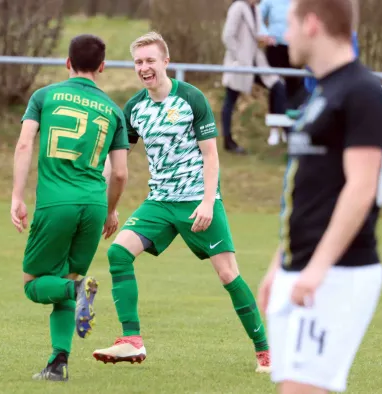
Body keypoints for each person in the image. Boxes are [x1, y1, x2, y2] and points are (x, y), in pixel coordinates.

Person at [92, 31, 271, 373]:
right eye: (138, 62)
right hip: (159, 202)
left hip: (196, 200)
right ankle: (131, 340)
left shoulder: (191, 98)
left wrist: (207, 202)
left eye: (150, 61)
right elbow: (116, 162)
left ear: (165, 62)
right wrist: (102, 203)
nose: (144, 68)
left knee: (228, 274)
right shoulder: (135, 108)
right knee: (118, 252)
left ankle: (265, 350)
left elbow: (211, 157)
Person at [257, 0, 382, 393]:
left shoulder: (363, 91)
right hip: (301, 266)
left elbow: (361, 186)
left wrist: (317, 268)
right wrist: (279, 263)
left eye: (291, 24)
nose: (284, 36)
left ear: (312, 24)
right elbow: (308, 191)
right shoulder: (321, 92)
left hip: (339, 273)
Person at [11, 34, 130, 382]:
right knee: (65, 277)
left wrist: (17, 196)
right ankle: (57, 364)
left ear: (67, 63)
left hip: (56, 203)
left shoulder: (44, 96)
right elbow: (121, 173)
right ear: (103, 67)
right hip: (93, 206)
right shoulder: (113, 111)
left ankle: (78, 293)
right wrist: (110, 211)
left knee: (34, 283)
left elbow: (23, 145)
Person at [221, 0, 288, 152]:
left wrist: (264, 39)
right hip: (239, 63)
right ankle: (228, 140)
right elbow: (228, 36)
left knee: (278, 85)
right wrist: (240, 57)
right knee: (230, 99)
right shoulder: (237, 8)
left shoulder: (256, 9)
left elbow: (255, 34)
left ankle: (284, 130)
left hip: (256, 61)